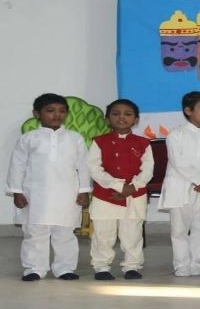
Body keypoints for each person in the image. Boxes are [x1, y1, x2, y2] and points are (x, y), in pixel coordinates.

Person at [6, 93, 91, 281]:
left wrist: (84, 191)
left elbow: (84, 166)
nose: (57, 115)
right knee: (35, 232)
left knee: (65, 233)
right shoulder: (29, 139)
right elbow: (17, 165)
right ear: (37, 114)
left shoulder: (74, 138)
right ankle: (34, 268)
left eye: (62, 111)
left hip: (67, 194)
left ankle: (65, 268)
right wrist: (17, 191)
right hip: (36, 195)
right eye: (50, 110)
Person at [158, 91, 200, 277]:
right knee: (179, 228)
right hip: (180, 186)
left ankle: (195, 262)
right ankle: (181, 264)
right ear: (188, 111)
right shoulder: (176, 134)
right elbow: (178, 161)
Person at [87, 99, 154, 281]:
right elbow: (94, 169)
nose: (121, 117)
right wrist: (118, 186)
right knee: (103, 234)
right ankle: (101, 266)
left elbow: (148, 170)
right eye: (116, 114)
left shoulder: (143, 143)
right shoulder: (99, 142)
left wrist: (132, 187)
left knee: (132, 233)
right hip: (105, 195)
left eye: (128, 114)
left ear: (136, 120)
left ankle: (132, 266)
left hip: (134, 195)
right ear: (107, 119)